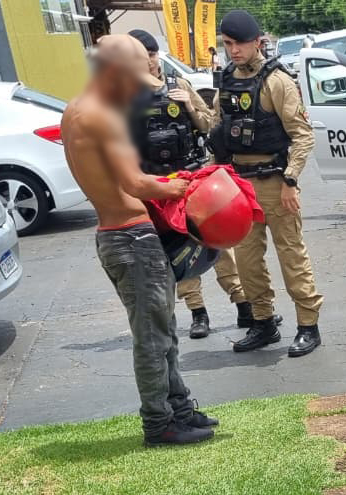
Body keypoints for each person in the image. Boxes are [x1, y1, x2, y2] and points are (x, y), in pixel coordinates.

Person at [61, 34, 216, 446]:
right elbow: (135, 183)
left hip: (117, 235)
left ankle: (178, 409)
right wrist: (180, 187)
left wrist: (163, 185)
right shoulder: (104, 116)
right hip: (132, 238)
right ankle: (159, 423)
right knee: (153, 337)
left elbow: (119, 180)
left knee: (161, 329)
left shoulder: (75, 111)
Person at [128, 29, 259, 339]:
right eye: (139, 56)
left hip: (193, 177)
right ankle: (198, 313)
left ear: (156, 55)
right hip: (161, 185)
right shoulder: (128, 96)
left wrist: (188, 103)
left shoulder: (179, 85)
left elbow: (207, 124)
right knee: (180, 250)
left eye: (149, 54)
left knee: (217, 242)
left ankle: (243, 304)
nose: (146, 61)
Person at [214, 10, 323, 357]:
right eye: (228, 44)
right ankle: (263, 323)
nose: (233, 51)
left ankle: (308, 325)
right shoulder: (228, 80)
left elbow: (303, 136)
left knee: (291, 256)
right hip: (240, 186)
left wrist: (290, 180)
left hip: (276, 182)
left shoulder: (277, 81)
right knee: (246, 260)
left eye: (239, 44)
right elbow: (217, 124)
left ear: (257, 42)